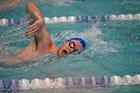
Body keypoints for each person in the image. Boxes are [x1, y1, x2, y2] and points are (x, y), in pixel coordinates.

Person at [6, 2, 86, 62]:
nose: (71, 50)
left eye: (75, 51)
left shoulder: (54, 60)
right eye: (72, 45)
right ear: (65, 42)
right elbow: (29, 5)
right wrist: (40, 19)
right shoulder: (46, 44)